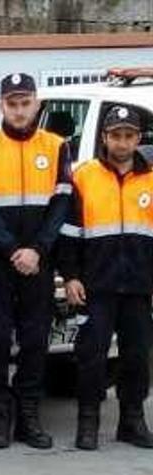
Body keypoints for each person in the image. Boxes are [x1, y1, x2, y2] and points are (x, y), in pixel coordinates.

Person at [0, 73, 72, 449]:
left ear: (37, 104)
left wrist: (38, 250)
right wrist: (14, 249)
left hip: (39, 261)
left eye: (24, 102)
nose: (18, 110)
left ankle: (28, 414)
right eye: (11, 103)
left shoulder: (58, 146)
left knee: (34, 339)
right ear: (1, 106)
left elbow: (61, 204)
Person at [59, 105, 153, 451]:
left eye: (129, 136)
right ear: (104, 138)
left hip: (140, 288)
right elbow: (68, 233)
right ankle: (88, 423)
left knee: (137, 357)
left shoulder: (151, 177)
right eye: (116, 136)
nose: (122, 143)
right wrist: (70, 276)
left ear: (138, 139)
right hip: (96, 287)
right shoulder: (84, 176)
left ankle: (132, 421)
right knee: (91, 356)